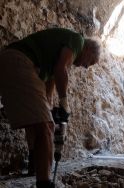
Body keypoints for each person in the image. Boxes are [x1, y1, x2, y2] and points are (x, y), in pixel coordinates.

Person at [0, 28, 100, 188]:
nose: (85, 66)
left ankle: (35, 164)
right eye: (90, 62)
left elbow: (47, 95)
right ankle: (44, 183)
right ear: (88, 49)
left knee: (41, 121)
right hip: (19, 60)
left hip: (10, 61)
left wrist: (53, 113)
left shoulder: (52, 64)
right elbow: (62, 69)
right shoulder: (78, 41)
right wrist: (64, 103)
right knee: (46, 127)